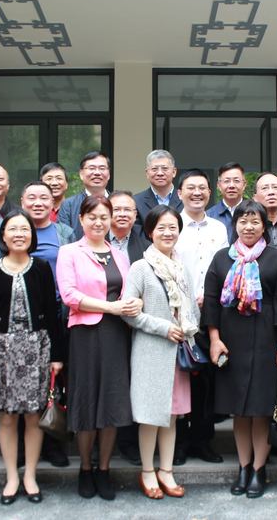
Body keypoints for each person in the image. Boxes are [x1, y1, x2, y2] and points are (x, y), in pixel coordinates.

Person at [204, 200, 277, 498]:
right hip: (231, 344)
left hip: (266, 343)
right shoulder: (221, 258)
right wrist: (214, 339)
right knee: (239, 411)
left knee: (260, 410)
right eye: (243, 221)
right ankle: (243, 467)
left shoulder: (275, 259)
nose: (249, 226)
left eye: (255, 221)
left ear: (263, 226)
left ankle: (259, 468)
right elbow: (211, 301)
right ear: (235, 225)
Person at [56, 196, 140, 500]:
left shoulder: (118, 254)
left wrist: (133, 304)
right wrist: (110, 307)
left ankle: (104, 469)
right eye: (92, 217)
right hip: (85, 335)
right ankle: (85, 468)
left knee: (112, 401)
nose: (98, 222)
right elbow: (69, 295)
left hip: (117, 335)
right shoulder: (69, 252)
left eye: (104, 217)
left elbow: (129, 291)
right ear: (81, 219)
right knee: (87, 401)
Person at [0, 210, 66, 505]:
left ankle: (30, 475)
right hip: (2, 348)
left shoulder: (41, 267)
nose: (19, 234)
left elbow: (53, 313)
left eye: (24, 229)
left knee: (32, 416)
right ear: (3, 236)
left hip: (37, 347)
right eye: (13, 229)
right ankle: (11, 477)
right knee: (7, 417)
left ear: (32, 235)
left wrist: (56, 355)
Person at [122, 205, 199, 500]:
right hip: (151, 351)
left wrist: (188, 326)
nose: (168, 233)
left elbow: (192, 309)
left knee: (172, 415)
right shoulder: (140, 268)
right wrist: (164, 327)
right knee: (151, 416)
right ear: (150, 232)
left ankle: (166, 470)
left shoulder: (181, 268)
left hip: (178, 352)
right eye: (161, 228)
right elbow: (128, 312)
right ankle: (147, 471)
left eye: (173, 228)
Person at [173, 170, 229, 465]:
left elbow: (225, 268)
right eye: (190, 188)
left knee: (208, 379)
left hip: (211, 313)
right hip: (179, 315)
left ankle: (203, 440)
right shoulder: (172, 224)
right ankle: (180, 442)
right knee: (181, 379)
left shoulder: (219, 228)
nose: (197, 192)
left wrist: (209, 296)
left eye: (202, 188)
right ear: (179, 193)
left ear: (210, 192)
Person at [20, 180, 76, 467]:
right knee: (25, 379)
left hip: (58, 314)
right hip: (22, 315)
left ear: (53, 203)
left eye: (44, 197)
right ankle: (23, 445)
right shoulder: (15, 229)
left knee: (57, 378)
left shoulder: (64, 232)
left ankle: (54, 443)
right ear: (22, 202)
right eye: (32, 197)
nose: (38, 202)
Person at [108, 190, 151, 466]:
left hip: (139, 322)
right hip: (106, 322)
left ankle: (131, 440)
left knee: (135, 381)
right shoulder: (96, 241)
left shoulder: (145, 243)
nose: (123, 214)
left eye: (128, 210)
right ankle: (109, 440)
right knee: (113, 382)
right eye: (117, 209)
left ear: (136, 215)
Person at [58, 151, 111, 239]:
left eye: (102, 168)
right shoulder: (68, 205)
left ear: (108, 174)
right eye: (91, 168)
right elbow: (64, 239)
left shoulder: (117, 203)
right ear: (81, 174)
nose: (97, 172)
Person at [133, 150, 183, 229]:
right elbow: (137, 232)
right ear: (147, 173)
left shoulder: (185, 198)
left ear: (174, 172)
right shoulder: (136, 201)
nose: (160, 173)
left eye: (165, 168)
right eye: (154, 169)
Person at [207, 162, 247, 241]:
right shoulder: (209, 215)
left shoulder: (255, 212)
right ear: (219, 185)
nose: (231, 185)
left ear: (244, 185)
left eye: (236, 181)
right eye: (227, 181)